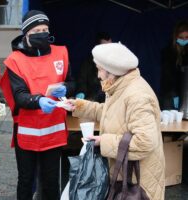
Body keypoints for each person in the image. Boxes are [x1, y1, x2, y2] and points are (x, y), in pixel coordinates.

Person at [68, 43, 165, 200]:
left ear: (112, 72)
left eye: (99, 69)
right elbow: (110, 113)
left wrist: (103, 141)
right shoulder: (120, 87)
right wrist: (78, 105)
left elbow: (145, 142)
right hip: (126, 179)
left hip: (138, 186)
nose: (98, 75)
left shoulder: (137, 96)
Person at [1, 10, 75, 200]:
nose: (42, 33)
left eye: (45, 29)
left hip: (54, 130)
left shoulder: (61, 53)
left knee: (51, 181)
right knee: (26, 180)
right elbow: (19, 96)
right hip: (27, 132)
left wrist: (65, 87)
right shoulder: (15, 60)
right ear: (26, 34)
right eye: (36, 30)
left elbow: (72, 82)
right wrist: (39, 100)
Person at [160, 20, 188, 110]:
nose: (184, 40)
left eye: (186, 37)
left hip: (184, 92)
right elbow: (167, 76)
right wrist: (175, 94)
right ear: (176, 37)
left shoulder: (186, 52)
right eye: (181, 37)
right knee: (169, 117)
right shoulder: (168, 52)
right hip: (170, 92)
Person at [75, 32, 112, 102]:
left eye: (110, 46)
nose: (108, 49)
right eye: (104, 47)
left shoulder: (115, 63)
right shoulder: (89, 61)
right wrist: (81, 91)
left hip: (108, 100)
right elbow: (82, 80)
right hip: (90, 98)